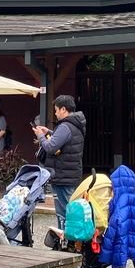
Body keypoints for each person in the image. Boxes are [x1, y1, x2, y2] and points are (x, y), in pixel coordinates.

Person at [32, 94, 86, 229]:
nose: (55, 113)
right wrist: (49, 131)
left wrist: (41, 136)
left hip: (63, 175)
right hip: (71, 173)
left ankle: (65, 240)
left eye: (56, 110)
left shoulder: (65, 126)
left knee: (63, 211)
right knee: (70, 208)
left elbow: (50, 147)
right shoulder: (77, 122)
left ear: (63, 109)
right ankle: (72, 239)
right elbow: (67, 139)